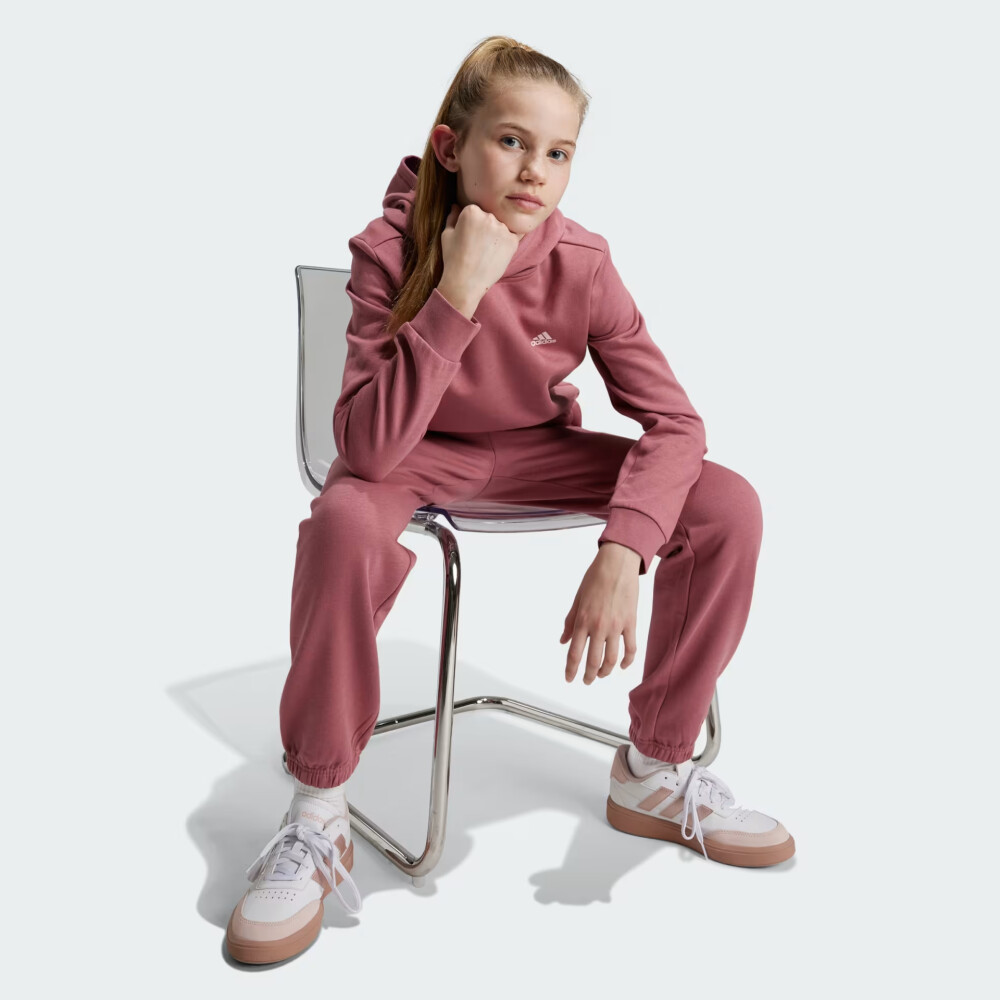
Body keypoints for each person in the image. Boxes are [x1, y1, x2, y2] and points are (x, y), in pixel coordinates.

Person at [226, 34, 795, 966]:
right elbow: (364, 449)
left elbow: (676, 423)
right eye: (512, 142)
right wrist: (458, 290)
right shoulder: (386, 251)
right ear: (452, 147)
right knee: (343, 517)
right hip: (414, 456)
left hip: (539, 454)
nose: (537, 171)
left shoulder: (583, 261)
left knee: (726, 502)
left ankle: (654, 770)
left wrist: (625, 548)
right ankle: (318, 811)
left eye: (559, 152)